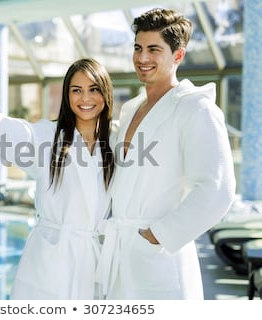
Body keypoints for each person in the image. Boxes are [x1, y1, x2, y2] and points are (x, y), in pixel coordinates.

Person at [95, 8, 236, 299]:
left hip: (159, 256)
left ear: (178, 55)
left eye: (153, 49)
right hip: (121, 254)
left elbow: (217, 187)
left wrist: (159, 235)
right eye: (138, 48)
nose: (142, 58)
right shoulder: (132, 107)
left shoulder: (196, 108)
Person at [0, 58, 115, 299]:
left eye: (94, 89)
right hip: (50, 258)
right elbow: (15, 132)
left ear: (106, 93)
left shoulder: (115, 141)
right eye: (77, 90)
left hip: (93, 260)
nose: (86, 98)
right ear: (66, 96)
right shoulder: (47, 136)